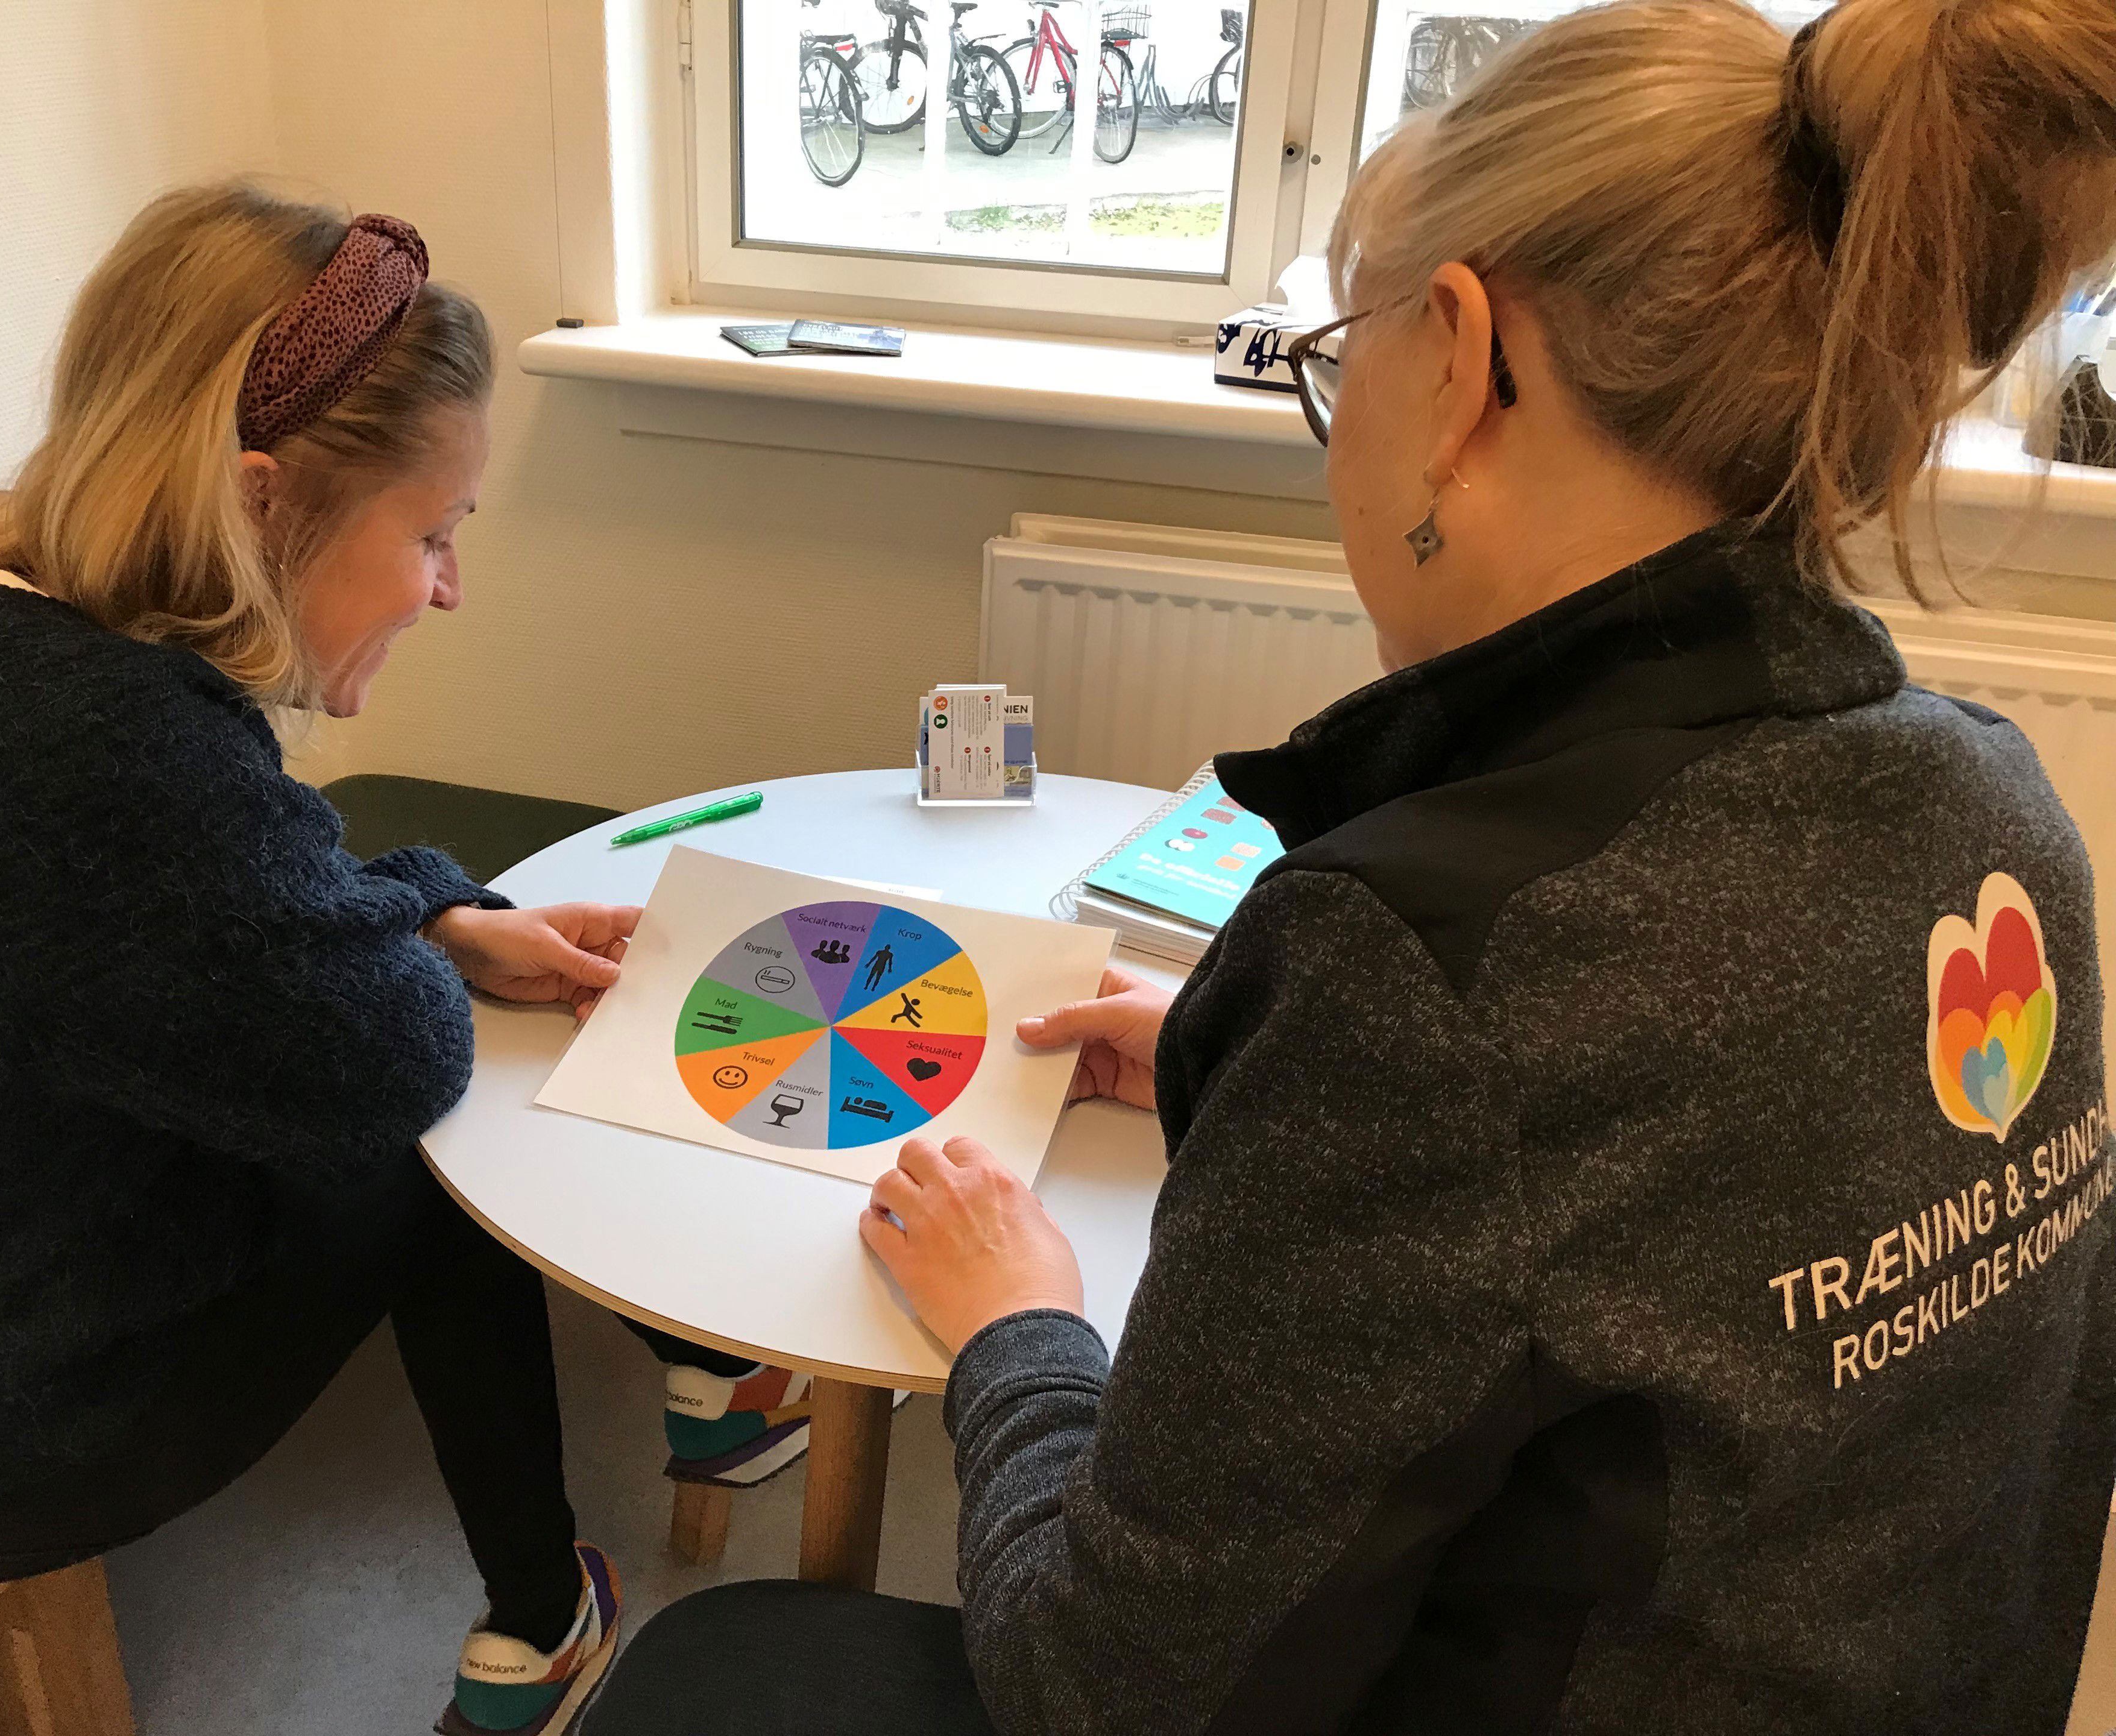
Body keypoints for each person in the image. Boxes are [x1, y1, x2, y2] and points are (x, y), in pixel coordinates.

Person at [585, 0, 2116, 1729]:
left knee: (722, 1669)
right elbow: (1664, 1223)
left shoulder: (1422, 965)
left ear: (1458, 358)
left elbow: (1101, 1693)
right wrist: (1256, 1078)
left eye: (1336, 360)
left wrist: (1021, 1328)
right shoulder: (1997, 811)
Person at [0, 182, 809, 1736]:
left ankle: (704, 1400)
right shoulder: (102, 742)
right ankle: (555, 1612)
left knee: (385, 1040)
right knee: (431, 1134)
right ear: (262, 502)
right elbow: (390, 1049)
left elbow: (197, 913)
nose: (449, 587)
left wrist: (433, 913)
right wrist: (428, 934)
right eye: (433, 533)